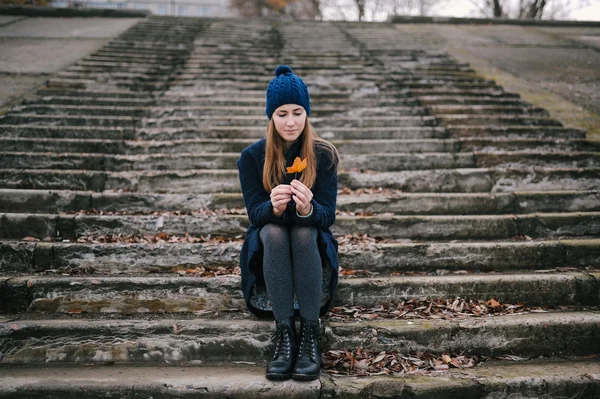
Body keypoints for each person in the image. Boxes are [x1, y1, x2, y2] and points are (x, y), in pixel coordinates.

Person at [236, 65, 340, 381]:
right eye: (282, 113)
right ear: (271, 116)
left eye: (297, 112)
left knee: (306, 232)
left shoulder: (324, 156)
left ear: (307, 114)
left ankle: (309, 335)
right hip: (270, 243)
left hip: (312, 245)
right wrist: (274, 208)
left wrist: (309, 208)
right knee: (273, 230)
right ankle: (284, 335)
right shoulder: (251, 157)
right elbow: (255, 214)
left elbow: (328, 215)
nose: (290, 121)